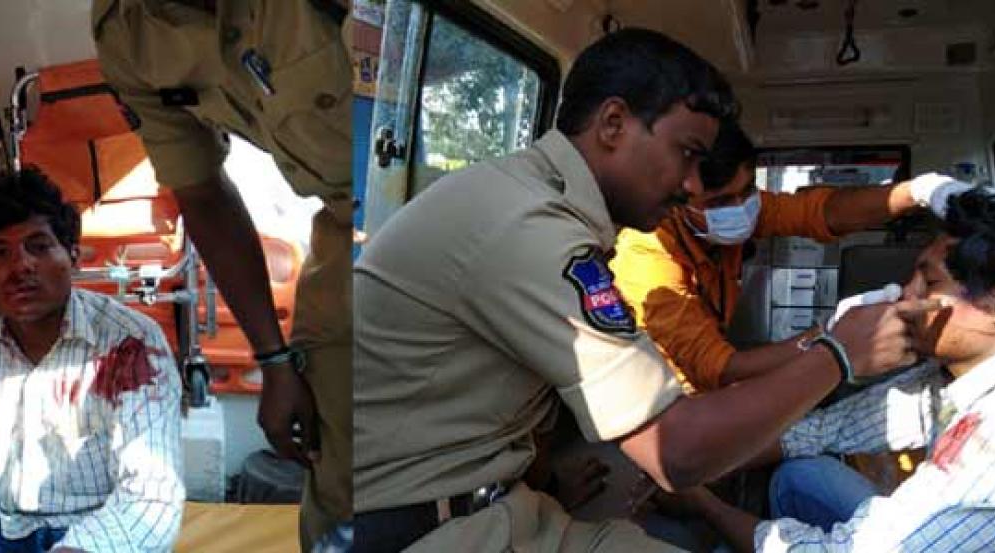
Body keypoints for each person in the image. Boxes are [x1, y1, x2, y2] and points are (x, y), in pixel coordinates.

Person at [353, 28, 934, 552]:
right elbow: (674, 454)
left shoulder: (545, 205)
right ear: (612, 125)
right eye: (685, 155)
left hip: (501, 502)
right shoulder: (531, 229)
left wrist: (914, 193)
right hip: (427, 532)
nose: (689, 186)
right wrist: (838, 353)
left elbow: (811, 211)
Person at [668, 190, 995, 551]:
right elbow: (820, 431)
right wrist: (694, 466)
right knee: (800, 476)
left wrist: (705, 505)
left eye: (929, 283)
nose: (905, 295)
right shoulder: (959, 372)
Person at [92, 0, 354, 547]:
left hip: (449, 200)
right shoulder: (126, 34)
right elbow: (201, 192)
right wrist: (274, 361)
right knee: (342, 486)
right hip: (344, 231)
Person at [0, 169, 184, 553]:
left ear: (72, 256)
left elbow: (151, 493)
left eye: (38, 246)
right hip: (5, 529)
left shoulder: (130, 344)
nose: (20, 266)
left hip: (96, 536)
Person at [610, 121, 970, 391]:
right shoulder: (646, 255)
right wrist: (831, 335)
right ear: (680, 197)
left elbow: (821, 212)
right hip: (664, 396)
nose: (741, 209)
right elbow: (719, 367)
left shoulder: (742, 211)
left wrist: (916, 192)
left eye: (747, 190)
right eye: (719, 201)